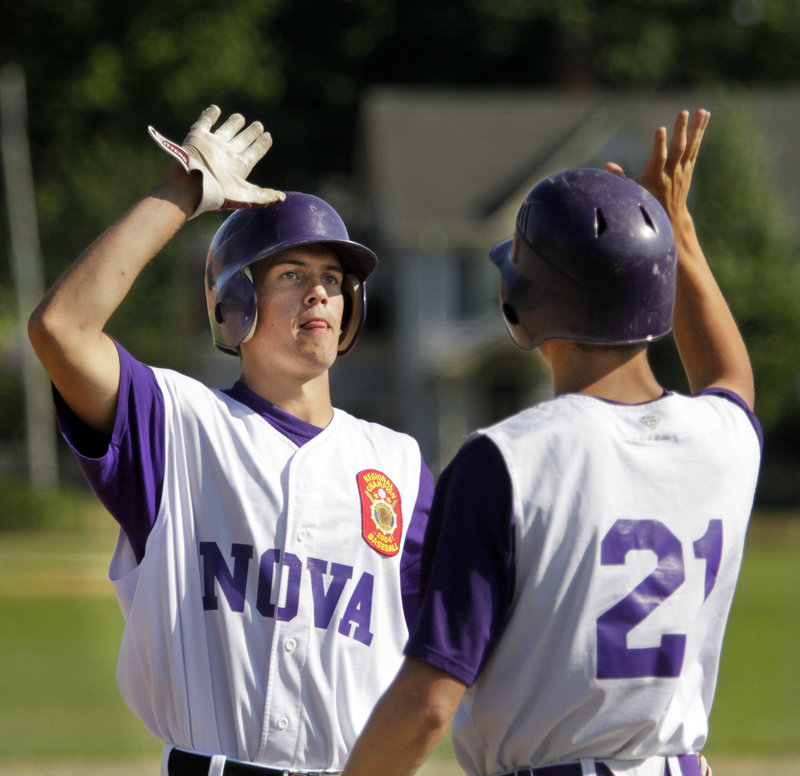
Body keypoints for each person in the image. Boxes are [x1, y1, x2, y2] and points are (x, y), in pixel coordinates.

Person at [340, 109, 760, 776]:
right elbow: (729, 376)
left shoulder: (506, 459)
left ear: (520, 304)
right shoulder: (725, 441)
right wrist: (675, 229)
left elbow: (428, 703)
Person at [28, 105, 433, 775]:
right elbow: (62, 330)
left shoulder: (397, 465)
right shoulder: (177, 425)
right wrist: (181, 192)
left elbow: (450, 656)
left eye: (333, 280)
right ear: (236, 303)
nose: (321, 297)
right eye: (292, 276)